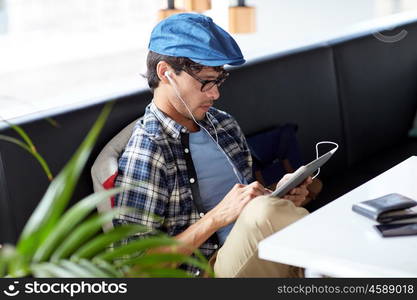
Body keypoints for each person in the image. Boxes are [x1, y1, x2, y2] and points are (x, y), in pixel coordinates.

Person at [112, 13, 312, 277]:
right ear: (165, 73)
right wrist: (217, 217)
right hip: (206, 271)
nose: (215, 94)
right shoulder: (149, 150)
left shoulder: (223, 124)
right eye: (206, 82)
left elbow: (245, 206)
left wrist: (277, 194)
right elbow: (135, 268)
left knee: (268, 209)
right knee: (266, 214)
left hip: (261, 254)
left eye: (218, 81)